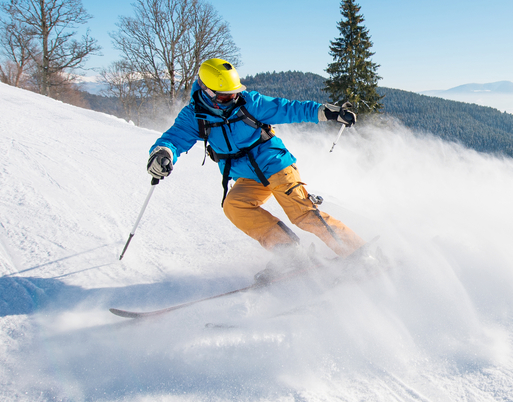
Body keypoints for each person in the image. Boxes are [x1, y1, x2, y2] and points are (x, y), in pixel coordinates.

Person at [146, 58, 365, 262]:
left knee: (301, 213)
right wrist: (163, 153)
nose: (231, 99)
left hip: (275, 164)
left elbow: (288, 109)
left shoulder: (250, 103)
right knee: (234, 205)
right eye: (224, 96)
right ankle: (290, 254)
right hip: (248, 175)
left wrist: (327, 112)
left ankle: (357, 253)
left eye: (234, 94)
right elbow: (173, 139)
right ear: (206, 91)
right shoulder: (194, 116)